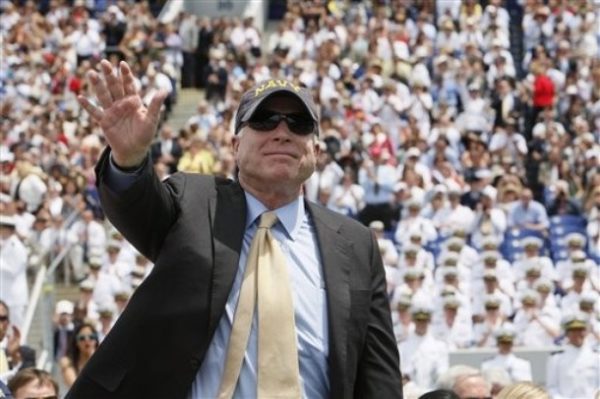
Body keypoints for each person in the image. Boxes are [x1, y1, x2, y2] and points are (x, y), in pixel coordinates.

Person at [68, 59, 403, 398]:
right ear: (235, 146)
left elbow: (378, 377)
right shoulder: (195, 201)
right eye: (264, 119)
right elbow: (139, 207)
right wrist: (129, 160)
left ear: (315, 151)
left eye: (298, 123)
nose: (282, 131)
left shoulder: (356, 245)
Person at [546, 312, 600, 399]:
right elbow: (552, 387)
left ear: (586, 332)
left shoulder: (596, 356)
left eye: (580, 330)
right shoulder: (556, 358)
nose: (577, 334)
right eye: (573, 330)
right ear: (567, 333)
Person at [59, 322, 99, 390]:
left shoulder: (102, 361)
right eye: (82, 338)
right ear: (76, 342)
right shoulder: (67, 362)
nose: (87, 340)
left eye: (91, 337)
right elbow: (76, 387)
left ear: (96, 340)